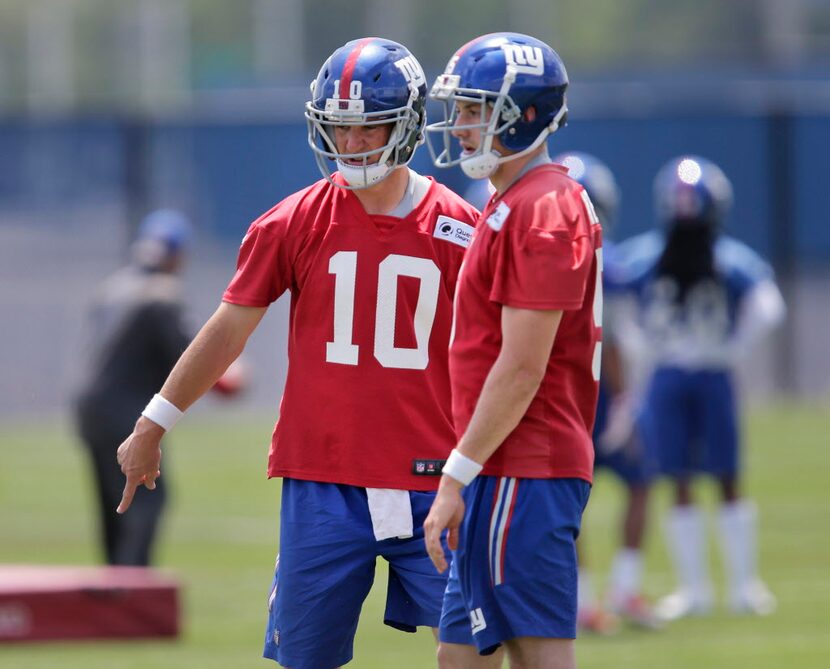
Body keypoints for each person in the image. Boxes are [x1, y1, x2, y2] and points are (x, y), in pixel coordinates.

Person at [114, 38, 481, 668]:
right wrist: (155, 421)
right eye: (341, 128)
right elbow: (228, 330)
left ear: (408, 122)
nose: (354, 143)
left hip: (432, 477)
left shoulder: (460, 229)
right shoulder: (293, 221)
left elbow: (496, 353)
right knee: (305, 660)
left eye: (370, 127)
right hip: (323, 480)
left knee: (476, 647)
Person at [423, 33, 602, 669]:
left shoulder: (544, 207)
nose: (461, 124)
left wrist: (455, 473)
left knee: (536, 656)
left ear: (522, 112)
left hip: (524, 463)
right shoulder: (513, 199)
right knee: (460, 656)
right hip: (501, 463)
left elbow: (524, 366)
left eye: (475, 109)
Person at [612, 156, 785, 621]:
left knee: (686, 480)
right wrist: (732, 349)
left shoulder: (645, 255)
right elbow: (770, 306)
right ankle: (734, 587)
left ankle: (706, 589)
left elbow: (612, 298)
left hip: (673, 374)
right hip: (706, 372)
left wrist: (640, 345)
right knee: (717, 479)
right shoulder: (728, 257)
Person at [554, 152, 661, 631]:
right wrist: (625, 400)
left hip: (559, 392)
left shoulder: (535, 249)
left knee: (569, 498)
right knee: (629, 483)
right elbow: (612, 338)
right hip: (591, 394)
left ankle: (588, 601)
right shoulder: (610, 264)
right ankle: (616, 592)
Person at [74, 209, 195, 567]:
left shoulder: (112, 288)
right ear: (177, 255)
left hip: (88, 407)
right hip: (123, 409)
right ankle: (131, 593)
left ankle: (114, 585)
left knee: (112, 504)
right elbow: (190, 357)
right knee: (145, 496)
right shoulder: (162, 294)